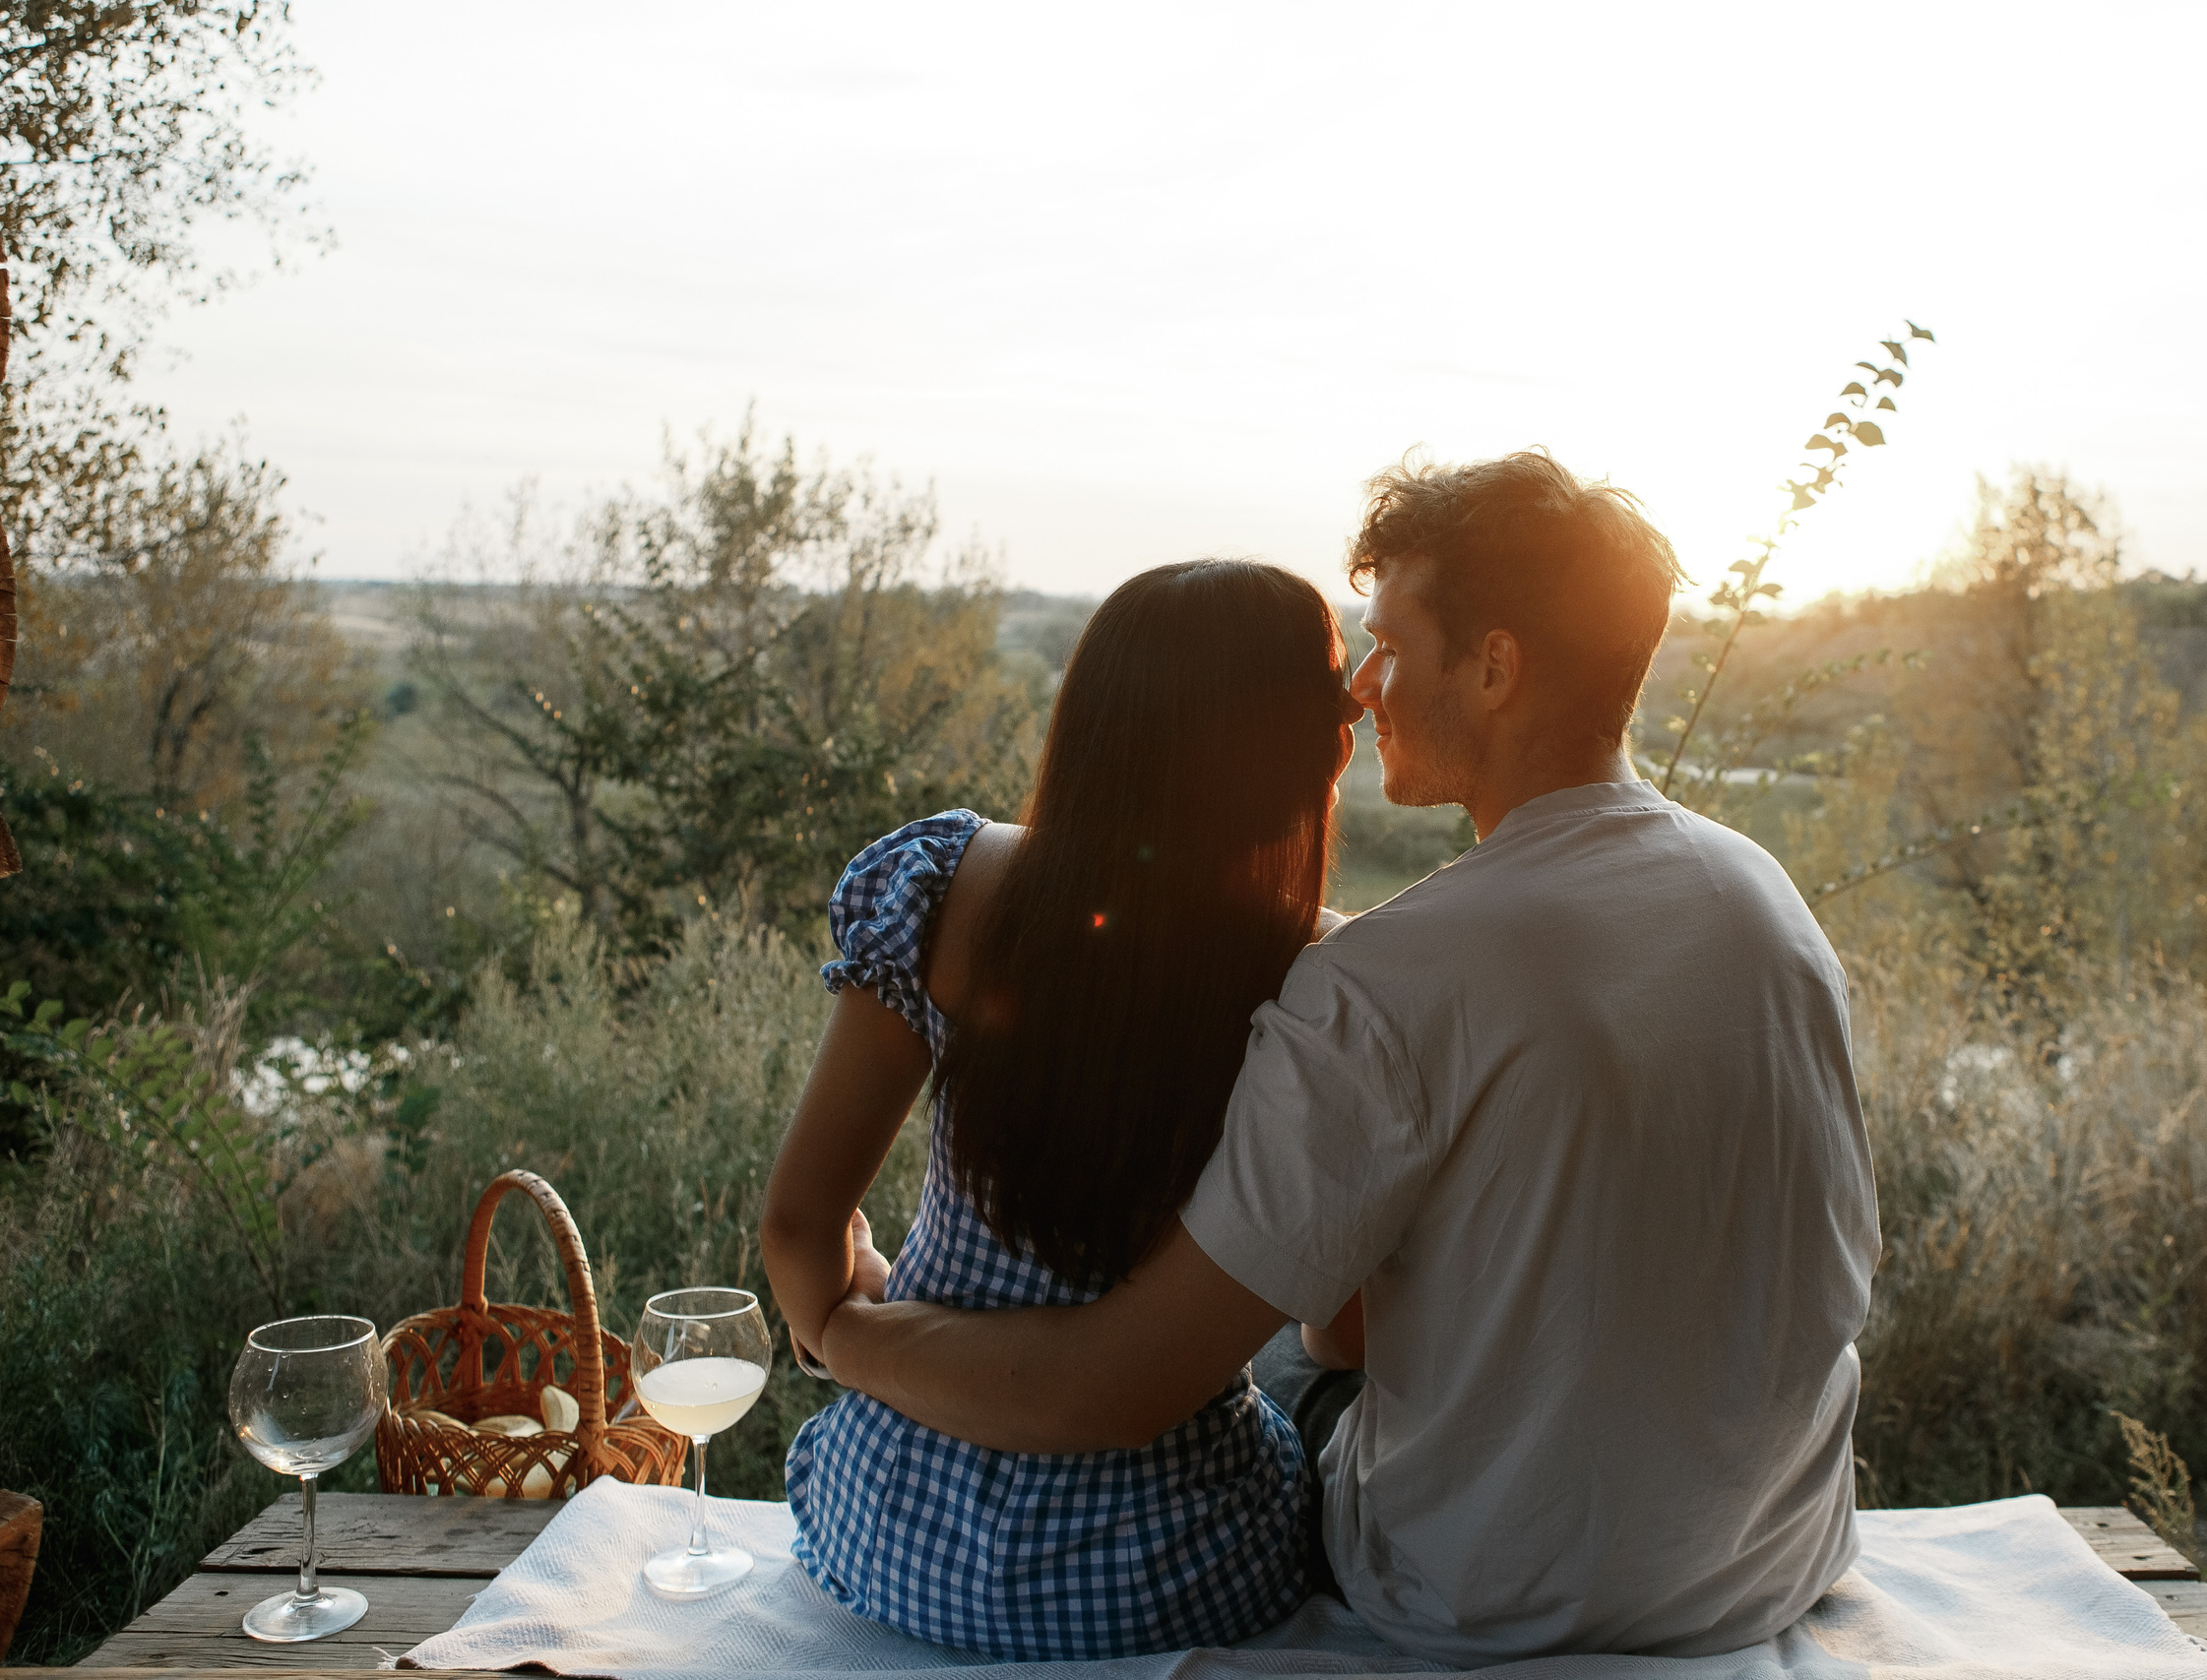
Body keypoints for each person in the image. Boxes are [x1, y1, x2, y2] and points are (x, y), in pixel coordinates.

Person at [805, 451, 1882, 1665]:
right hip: (1767, 1560)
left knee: (1247, 1344)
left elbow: (1107, 1392)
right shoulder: (1764, 900)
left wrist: (844, 1335)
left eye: (1387, 643)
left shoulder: (1391, 978)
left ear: (1493, 666)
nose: (1364, 689)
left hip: (1487, 1597)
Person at [758, 558, 1364, 1660]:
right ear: (1310, 755)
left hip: (894, 1528)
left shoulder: (941, 888)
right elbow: (1342, 1328)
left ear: (1093, 719)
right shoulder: (1326, 980)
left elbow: (797, 1226)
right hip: (1168, 1565)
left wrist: (860, 1327)